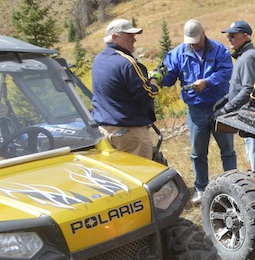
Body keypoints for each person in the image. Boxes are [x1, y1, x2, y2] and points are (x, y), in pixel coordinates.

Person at [159, 19, 236, 204]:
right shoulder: (178, 53)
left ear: (203, 34)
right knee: (197, 152)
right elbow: (168, 75)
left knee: (227, 149)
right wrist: (159, 77)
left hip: (220, 107)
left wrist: (207, 82)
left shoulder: (219, 50)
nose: (193, 44)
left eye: (196, 39)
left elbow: (227, 72)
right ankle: (201, 188)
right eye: (190, 41)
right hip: (195, 110)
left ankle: (233, 184)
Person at [213, 20, 255, 180]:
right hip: (248, 114)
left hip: (252, 114)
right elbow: (241, 86)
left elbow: (249, 89)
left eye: (233, 36)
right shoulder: (244, 56)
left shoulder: (249, 57)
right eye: (228, 36)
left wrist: (227, 109)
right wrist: (226, 99)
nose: (229, 39)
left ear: (245, 36)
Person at [92, 19, 159, 159]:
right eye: (129, 36)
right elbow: (147, 93)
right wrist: (154, 79)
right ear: (114, 37)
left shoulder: (98, 60)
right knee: (140, 175)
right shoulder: (128, 63)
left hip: (104, 131)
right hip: (130, 134)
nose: (134, 39)